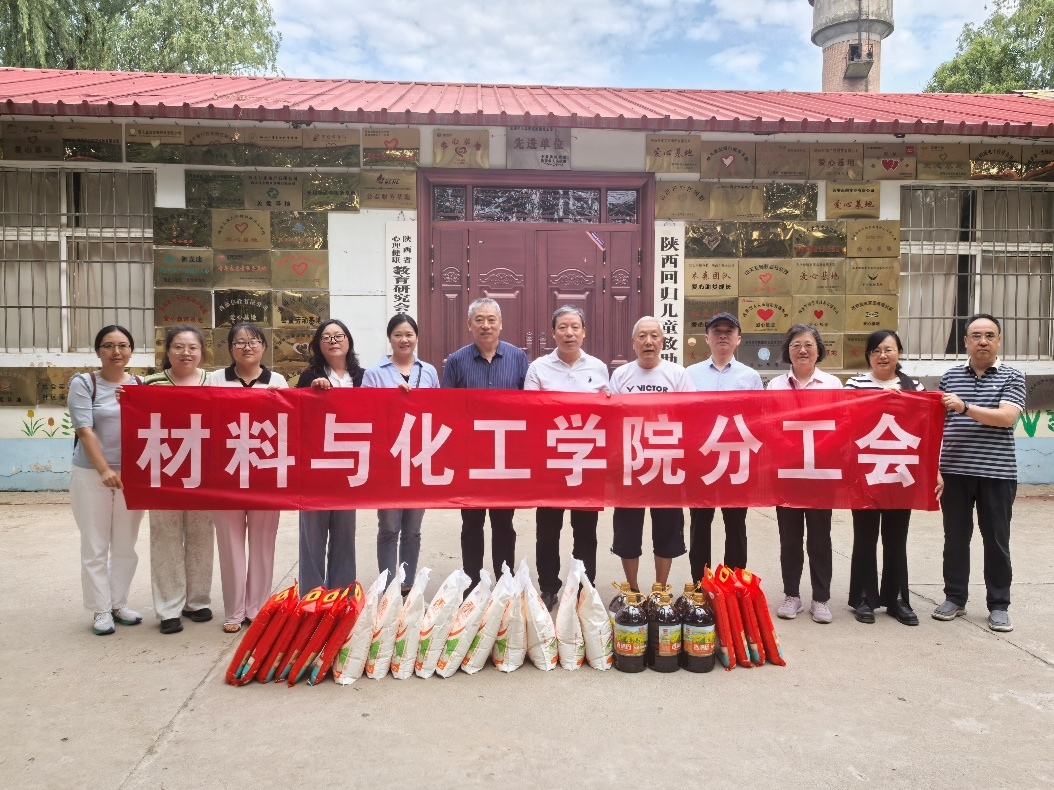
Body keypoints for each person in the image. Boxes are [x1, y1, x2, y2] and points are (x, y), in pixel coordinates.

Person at [933, 314, 1025, 633]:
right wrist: (935, 468)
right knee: (955, 539)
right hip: (954, 472)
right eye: (976, 336)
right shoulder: (950, 377)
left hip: (997, 473)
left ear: (999, 340)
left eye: (989, 335)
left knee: (996, 541)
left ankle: (999, 605)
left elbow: (1006, 417)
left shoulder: (1013, 376)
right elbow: (939, 425)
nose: (982, 341)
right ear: (965, 342)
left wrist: (965, 408)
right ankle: (954, 598)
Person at [524, 305, 610, 609]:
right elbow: (529, 411)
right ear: (553, 333)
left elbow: (608, 412)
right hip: (550, 461)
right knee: (548, 531)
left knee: (585, 530)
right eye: (563, 327)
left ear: (584, 332)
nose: (569, 333)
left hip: (587, 461)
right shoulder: (538, 368)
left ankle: (584, 586)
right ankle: (548, 587)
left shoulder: (598, 368)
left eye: (575, 327)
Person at [205, 322, 287, 633]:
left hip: (265, 474)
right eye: (239, 342)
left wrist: (280, 399)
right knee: (230, 545)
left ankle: (258, 608)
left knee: (263, 544)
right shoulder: (215, 379)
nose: (247, 347)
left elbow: (289, 423)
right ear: (230, 348)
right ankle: (234, 611)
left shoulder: (277, 381)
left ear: (264, 347)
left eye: (253, 341)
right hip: (225, 474)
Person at [441, 297, 529, 590]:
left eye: (491, 319)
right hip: (470, 455)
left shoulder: (518, 358)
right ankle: (472, 583)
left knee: (504, 522)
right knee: (471, 522)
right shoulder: (456, 361)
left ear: (501, 324)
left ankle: (505, 581)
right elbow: (446, 408)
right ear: (469, 324)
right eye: (479, 320)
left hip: (506, 455)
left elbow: (530, 405)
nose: (486, 325)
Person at [844, 329, 926, 626]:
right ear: (868, 355)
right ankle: (864, 598)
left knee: (896, 538)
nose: (882, 355)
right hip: (865, 471)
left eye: (889, 350)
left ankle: (897, 599)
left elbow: (925, 428)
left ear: (899, 353)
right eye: (876, 350)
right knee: (865, 536)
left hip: (900, 472)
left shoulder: (914, 386)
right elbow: (847, 421)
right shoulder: (855, 384)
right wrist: (879, 400)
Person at [68, 325, 145, 635]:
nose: (116, 352)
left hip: (132, 476)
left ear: (131, 351)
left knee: (126, 544)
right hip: (92, 474)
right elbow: (84, 430)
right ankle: (100, 609)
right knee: (95, 544)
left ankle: (118, 602)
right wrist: (104, 470)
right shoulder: (84, 383)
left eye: (123, 345)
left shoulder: (140, 384)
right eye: (108, 346)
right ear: (98, 351)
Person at [608, 316, 693, 593]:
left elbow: (691, 415)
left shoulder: (677, 374)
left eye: (654, 336)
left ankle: (660, 590)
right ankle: (632, 591)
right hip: (630, 465)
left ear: (662, 342)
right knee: (627, 531)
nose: (648, 341)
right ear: (633, 343)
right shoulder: (621, 375)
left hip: (666, 463)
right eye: (642, 336)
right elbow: (611, 419)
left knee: (667, 529)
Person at [767, 324, 842, 624]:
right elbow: (769, 425)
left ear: (818, 350)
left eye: (809, 345)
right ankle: (792, 595)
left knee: (820, 538)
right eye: (796, 345)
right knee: (790, 538)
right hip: (787, 473)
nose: (802, 350)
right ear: (788, 351)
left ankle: (820, 599)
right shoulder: (775, 386)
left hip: (821, 474)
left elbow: (842, 425)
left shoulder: (832, 384)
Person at [143, 326, 214, 634]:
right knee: (165, 539)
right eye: (179, 346)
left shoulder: (213, 381)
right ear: (167, 350)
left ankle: (197, 601)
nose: (186, 353)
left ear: (201, 351)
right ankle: (169, 608)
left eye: (192, 347)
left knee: (202, 537)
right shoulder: (150, 383)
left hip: (205, 473)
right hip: (163, 470)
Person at [362, 314, 439, 594]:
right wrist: (390, 399)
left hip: (419, 458)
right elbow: (364, 413)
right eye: (398, 334)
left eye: (409, 334)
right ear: (389, 338)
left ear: (416, 338)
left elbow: (439, 411)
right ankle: (387, 585)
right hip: (389, 459)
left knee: (413, 528)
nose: (404, 340)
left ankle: (406, 584)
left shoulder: (429, 371)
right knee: (389, 526)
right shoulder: (374, 373)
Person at [684, 312, 762, 581]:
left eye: (729, 331)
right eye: (716, 331)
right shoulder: (689, 374)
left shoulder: (750, 377)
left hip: (736, 459)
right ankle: (700, 584)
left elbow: (759, 418)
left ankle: (734, 583)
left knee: (736, 524)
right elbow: (682, 416)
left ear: (738, 339)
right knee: (699, 524)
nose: (723, 335)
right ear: (707, 338)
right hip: (702, 460)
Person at [296, 318, 364, 594]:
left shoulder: (363, 377)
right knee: (312, 533)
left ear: (349, 341)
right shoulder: (308, 376)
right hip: (315, 464)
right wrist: (313, 394)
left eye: (339, 336)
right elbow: (296, 413)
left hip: (350, 463)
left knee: (345, 532)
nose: (333, 341)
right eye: (326, 337)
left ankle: (342, 594)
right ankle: (311, 595)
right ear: (318, 345)